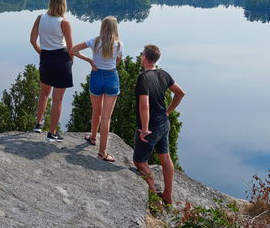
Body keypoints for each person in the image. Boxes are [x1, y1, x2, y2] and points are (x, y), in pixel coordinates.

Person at [133, 44, 185, 206]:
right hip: (163, 123)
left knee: (140, 161)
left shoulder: (144, 78)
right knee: (165, 157)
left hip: (150, 127)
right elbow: (180, 93)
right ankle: (168, 195)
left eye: (142, 54)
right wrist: (168, 112)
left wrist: (145, 129)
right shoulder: (163, 74)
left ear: (145, 57)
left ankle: (154, 198)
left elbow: (144, 105)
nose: (141, 56)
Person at [70, 16, 123, 162]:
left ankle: (93, 137)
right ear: (115, 28)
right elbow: (117, 62)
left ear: (102, 27)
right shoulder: (119, 45)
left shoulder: (94, 41)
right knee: (106, 117)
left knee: (96, 111)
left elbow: (73, 50)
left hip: (96, 76)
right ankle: (102, 152)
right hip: (111, 77)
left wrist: (90, 61)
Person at [30, 0, 73, 142]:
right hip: (61, 59)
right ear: (63, 4)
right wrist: (71, 61)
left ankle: (38, 124)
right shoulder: (64, 23)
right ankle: (52, 132)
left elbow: (32, 40)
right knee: (58, 99)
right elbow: (70, 48)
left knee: (44, 94)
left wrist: (41, 52)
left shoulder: (40, 18)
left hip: (46, 58)